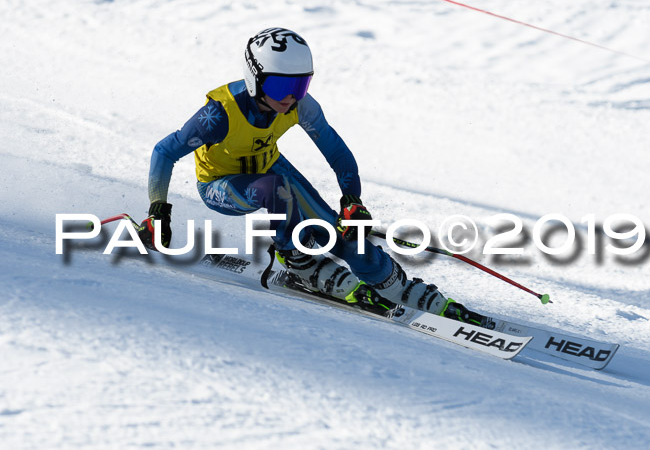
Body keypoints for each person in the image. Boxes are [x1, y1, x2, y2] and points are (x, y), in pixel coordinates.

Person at [138, 27, 492, 327]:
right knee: (275, 190)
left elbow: (338, 154)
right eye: (280, 88)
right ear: (254, 78)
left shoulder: (300, 106)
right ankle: (294, 259)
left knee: (344, 237)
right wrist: (157, 212)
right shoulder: (218, 115)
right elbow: (165, 151)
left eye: (301, 86)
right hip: (222, 186)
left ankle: (399, 288)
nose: (291, 98)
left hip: (271, 172)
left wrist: (352, 201)